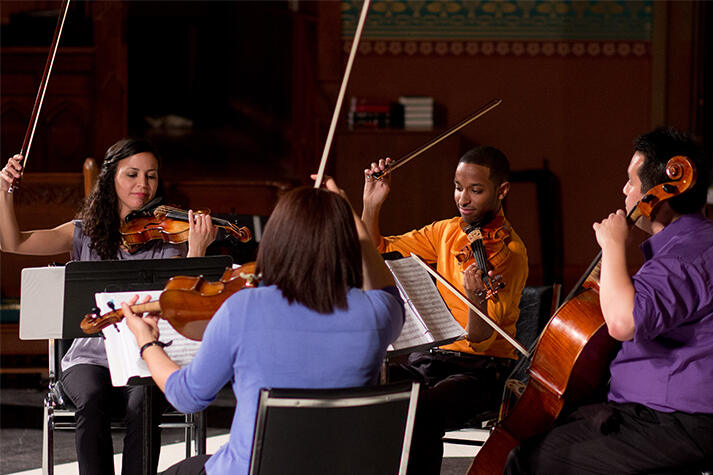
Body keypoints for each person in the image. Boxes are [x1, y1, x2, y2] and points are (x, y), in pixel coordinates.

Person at [121, 177, 405, 475]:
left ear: (277, 240)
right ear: (346, 244)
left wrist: (147, 342)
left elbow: (187, 396)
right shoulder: (377, 314)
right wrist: (348, 214)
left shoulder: (242, 310)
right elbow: (384, 287)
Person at [0, 138, 217, 475]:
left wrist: (196, 252)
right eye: (132, 174)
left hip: (144, 354)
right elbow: (13, 242)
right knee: (91, 398)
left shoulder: (166, 240)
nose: (143, 185)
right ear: (111, 178)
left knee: (143, 401)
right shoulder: (81, 233)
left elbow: (180, 305)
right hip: (89, 356)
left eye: (151, 176)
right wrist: (4, 190)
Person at [505, 127, 713, 474]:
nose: (625, 190)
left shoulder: (684, 256)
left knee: (530, 461)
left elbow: (624, 323)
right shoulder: (693, 244)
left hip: (675, 422)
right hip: (653, 415)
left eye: (631, 181)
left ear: (659, 193)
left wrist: (614, 246)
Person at [362, 146, 529, 473]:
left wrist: (475, 297)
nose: (463, 199)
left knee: (422, 412)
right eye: (458, 187)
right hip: (430, 359)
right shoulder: (447, 231)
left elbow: (480, 339)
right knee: (363, 380)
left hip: (480, 369)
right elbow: (376, 250)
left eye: (476, 190)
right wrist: (371, 205)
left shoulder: (510, 252)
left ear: (502, 191)